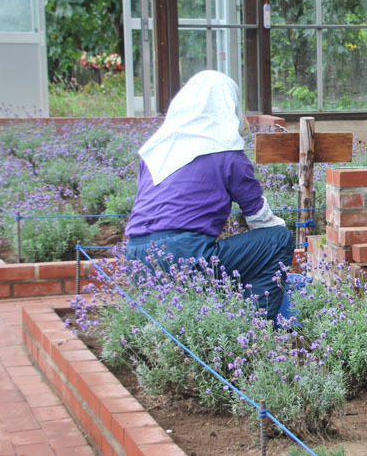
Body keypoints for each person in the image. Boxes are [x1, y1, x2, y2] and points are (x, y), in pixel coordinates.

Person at [125, 70, 295, 323]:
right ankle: (254, 328)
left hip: (137, 259)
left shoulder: (154, 151)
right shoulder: (227, 153)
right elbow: (260, 218)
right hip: (186, 255)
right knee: (279, 240)